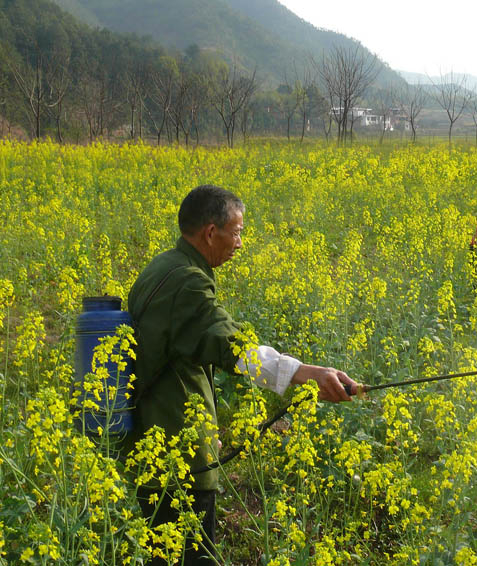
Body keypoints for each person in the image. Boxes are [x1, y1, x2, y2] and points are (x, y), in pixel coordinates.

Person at [127, 184, 359, 565]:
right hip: (177, 451)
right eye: (236, 233)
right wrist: (306, 373)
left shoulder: (162, 266)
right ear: (210, 233)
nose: (239, 243)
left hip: (156, 440)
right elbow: (232, 347)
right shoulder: (188, 283)